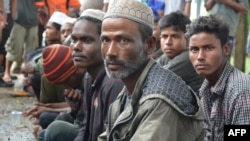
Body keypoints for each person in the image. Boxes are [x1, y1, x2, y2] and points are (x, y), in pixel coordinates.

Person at [98, 0, 204, 141]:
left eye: (123, 41)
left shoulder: (158, 100)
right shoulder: (131, 87)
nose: (110, 52)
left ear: (149, 45)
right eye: (105, 40)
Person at [43, 9, 124, 141]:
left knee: (56, 130)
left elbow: (107, 136)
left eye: (86, 40)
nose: (76, 47)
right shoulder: (88, 77)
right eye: (74, 40)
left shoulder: (113, 83)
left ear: (106, 44)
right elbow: (85, 128)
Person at [186, 14, 250, 141]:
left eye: (208, 48)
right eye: (194, 49)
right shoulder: (207, 87)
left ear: (226, 49)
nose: (200, 56)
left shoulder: (241, 91)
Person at [157, 11, 204, 93]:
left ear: (188, 40)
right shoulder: (166, 56)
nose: (168, 42)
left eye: (175, 36)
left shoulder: (189, 56)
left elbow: (156, 76)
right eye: (164, 37)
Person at [2, 0, 39, 86]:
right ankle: (7, 73)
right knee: (14, 47)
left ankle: (26, 75)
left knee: (31, 51)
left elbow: (40, 4)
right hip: (18, 20)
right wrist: (13, 17)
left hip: (33, 20)